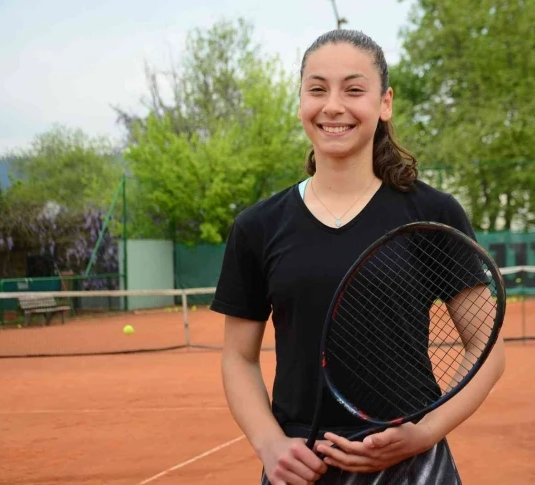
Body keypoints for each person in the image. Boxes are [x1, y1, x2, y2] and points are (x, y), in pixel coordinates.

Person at [211, 29, 506, 485]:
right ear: (300, 101)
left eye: (353, 90)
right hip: (302, 468)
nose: (332, 106)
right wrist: (270, 445)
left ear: (385, 103)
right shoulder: (258, 226)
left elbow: (487, 349)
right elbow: (238, 358)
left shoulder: (432, 213)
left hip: (411, 466)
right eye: (317, 89)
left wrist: (424, 433)